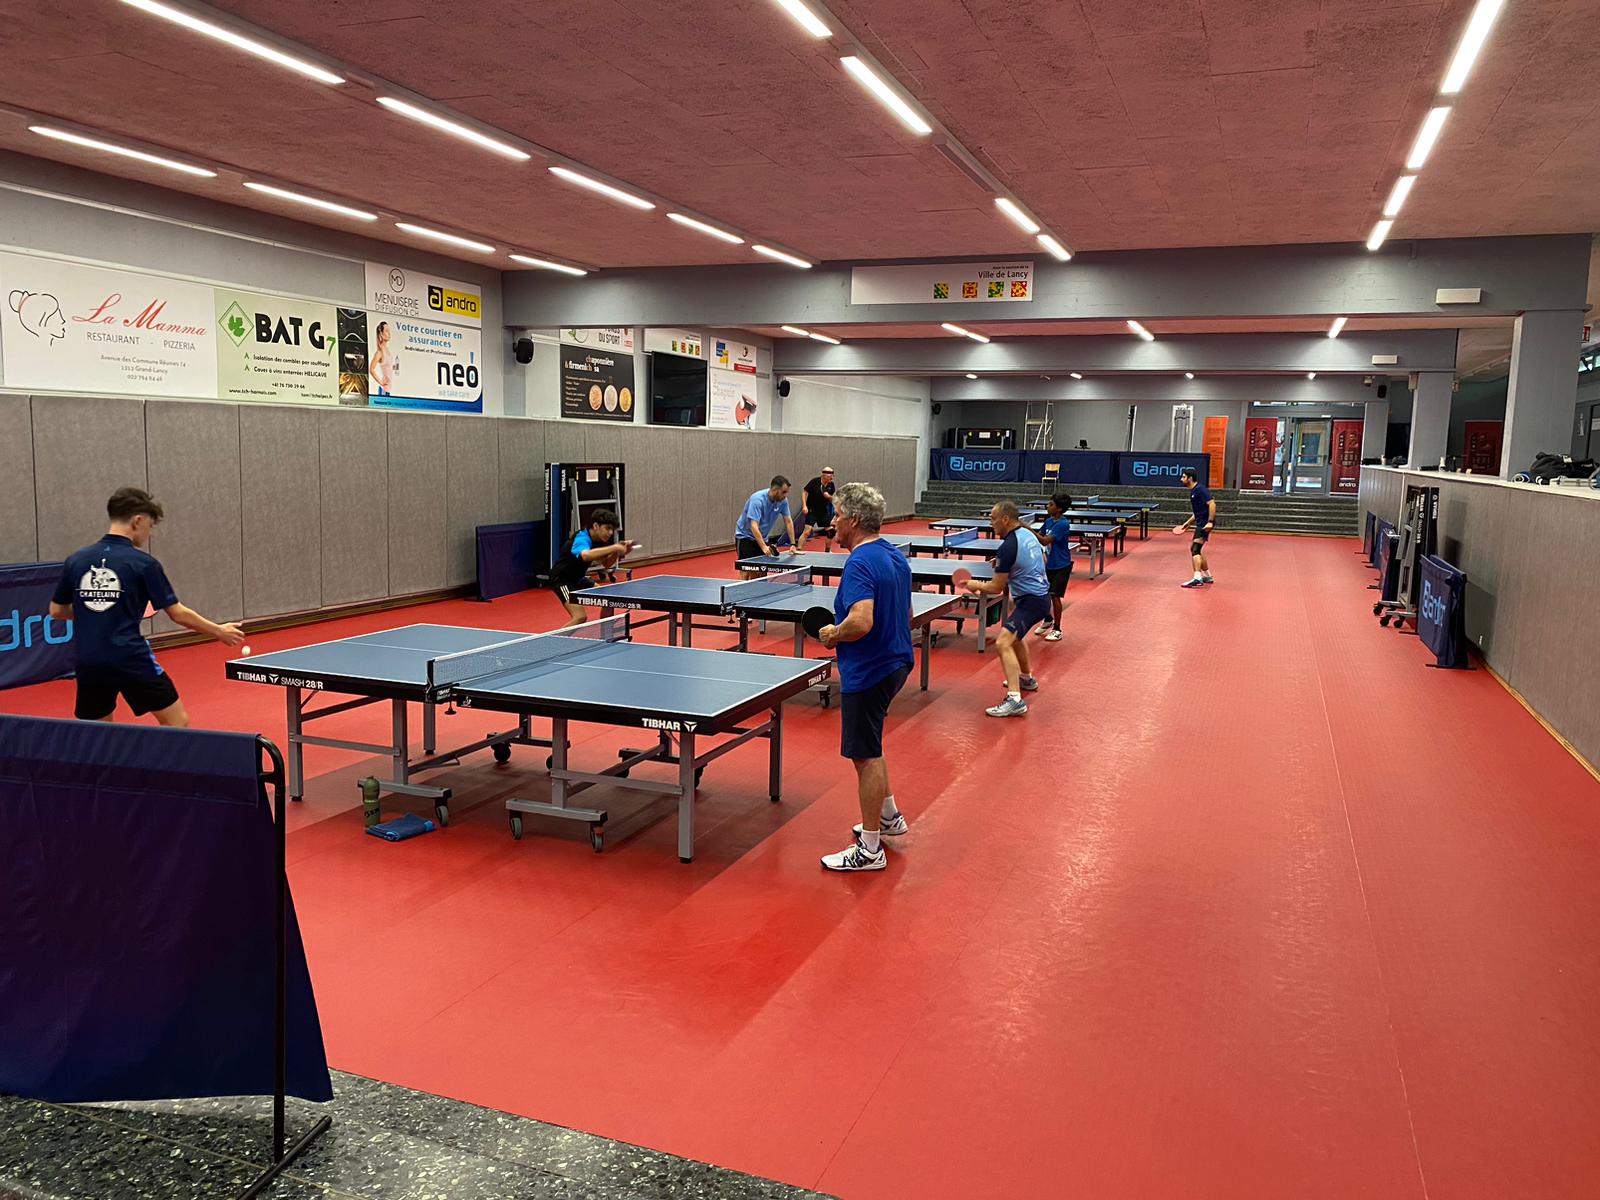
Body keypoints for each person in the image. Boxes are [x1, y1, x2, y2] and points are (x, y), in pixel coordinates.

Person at [49, 487, 244, 727]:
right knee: (177, 723)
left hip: (89, 659)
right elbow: (178, 614)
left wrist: (97, 612)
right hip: (130, 658)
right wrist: (219, 631)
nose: (149, 534)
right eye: (150, 526)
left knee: (98, 734)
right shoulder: (144, 563)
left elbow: (56, 611)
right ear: (137, 521)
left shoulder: (76, 560)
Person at [818, 482, 914, 873]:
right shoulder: (894, 555)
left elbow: (861, 621)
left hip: (870, 669)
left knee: (864, 755)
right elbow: (907, 614)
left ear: (854, 520)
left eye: (838, 515)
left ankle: (870, 849)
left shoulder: (859, 562)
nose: (833, 522)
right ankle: (888, 817)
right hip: (896, 663)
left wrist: (833, 633)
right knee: (871, 745)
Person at [964, 500, 1050, 717]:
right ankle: (1026, 678)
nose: (991, 523)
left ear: (1005, 519)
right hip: (1041, 597)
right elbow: (1043, 558)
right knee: (1015, 638)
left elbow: (995, 587)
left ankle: (1014, 700)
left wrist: (974, 584)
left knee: (1003, 642)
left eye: (993, 519)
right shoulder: (1028, 534)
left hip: (1031, 601)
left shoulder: (1008, 547)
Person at [549, 508, 635, 624]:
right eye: (607, 528)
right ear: (595, 526)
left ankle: (607, 632)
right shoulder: (581, 538)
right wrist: (614, 547)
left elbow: (606, 564)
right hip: (562, 580)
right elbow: (586, 555)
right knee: (580, 617)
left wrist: (617, 552)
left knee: (607, 600)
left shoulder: (599, 540)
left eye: (612, 529)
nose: (610, 533)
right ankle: (557, 637)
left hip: (578, 578)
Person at [734, 476, 798, 577]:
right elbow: (753, 526)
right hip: (745, 536)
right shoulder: (757, 500)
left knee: (762, 571)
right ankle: (740, 588)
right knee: (745, 570)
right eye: (783, 492)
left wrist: (793, 544)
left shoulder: (783, 501)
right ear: (775, 490)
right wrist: (763, 546)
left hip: (762, 537)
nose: (785, 495)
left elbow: (788, 521)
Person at [1033, 492, 1074, 641]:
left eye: (1051, 504)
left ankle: (1057, 629)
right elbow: (1039, 535)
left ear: (1059, 508)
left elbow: (1044, 540)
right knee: (1044, 594)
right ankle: (1048, 619)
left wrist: (1026, 528)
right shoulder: (1049, 521)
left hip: (1061, 565)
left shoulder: (1063, 524)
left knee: (1055, 596)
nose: (1047, 506)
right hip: (1049, 564)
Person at [1176, 468, 1217, 587]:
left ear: (1190, 478)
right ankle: (1207, 576)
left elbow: (1212, 504)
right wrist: (1187, 523)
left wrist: (1210, 522)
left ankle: (1197, 578)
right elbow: (1197, 512)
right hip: (1200, 522)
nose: (1181, 479)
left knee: (1195, 549)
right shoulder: (1193, 491)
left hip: (1204, 523)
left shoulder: (1200, 489)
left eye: (1183, 477)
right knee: (1196, 549)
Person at [799, 467, 836, 550]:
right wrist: (804, 506)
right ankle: (799, 549)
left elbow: (833, 498)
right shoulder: (814, 482)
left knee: (831, 532)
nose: (831, 478)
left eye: (832, 475)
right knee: (807, 531)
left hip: (823, 511)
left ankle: (827, 551)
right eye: (830, 475)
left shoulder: (831, 485)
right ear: (824, 475)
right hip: (812, 510)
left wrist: (828, 496)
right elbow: (805, 492)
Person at [368, 320, 396, 396]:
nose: (389, 333)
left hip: (388, 390)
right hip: (384, 390)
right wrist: (381, 382)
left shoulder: (388, 351)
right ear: (381, 334)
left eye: (389, 331)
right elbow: (371, 369)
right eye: (386, 331)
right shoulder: (380, 352)